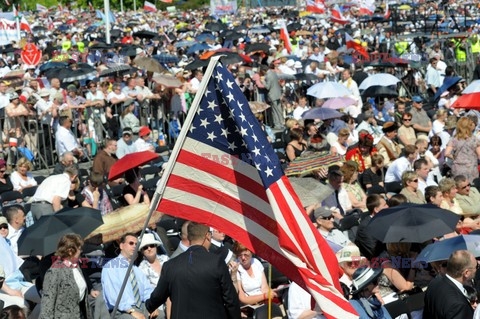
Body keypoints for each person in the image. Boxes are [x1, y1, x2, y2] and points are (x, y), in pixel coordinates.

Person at [146, 222, 241, 319]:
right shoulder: (216, 262)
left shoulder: (170, 265)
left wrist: (149, 306)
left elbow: (157, 297)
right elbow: (230, 300)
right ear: (207, 236)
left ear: (189, 238)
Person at [102, 233, 154, 318]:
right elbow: (114, 298)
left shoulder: (137, 270)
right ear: (121, 246)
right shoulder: (111, 267)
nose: (134, 246)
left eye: (136, 244)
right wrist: (131, 311)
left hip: (141, 306)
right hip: (121, 311)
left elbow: (147, 290)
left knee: (161, 314)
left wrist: (153, 306)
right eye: (131, 243)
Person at [40, 234, 88, 318]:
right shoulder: (54, 271)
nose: (81, 251)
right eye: (79, 249)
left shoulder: (76, 266)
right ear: (70, 251)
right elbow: (47, 304)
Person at [423, 250, 477, 319]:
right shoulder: (459, 305)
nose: (476, 269)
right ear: (466, 273)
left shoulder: (434, 283)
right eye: (476, 266)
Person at [138, 233, 170, 319]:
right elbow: (143, 291)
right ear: (142, 251)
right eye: (145, 247)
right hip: (157, 304)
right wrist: (152, 306)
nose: (149, 249)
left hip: (172, 298)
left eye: (151, 245)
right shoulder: (141, 268)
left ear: (156, 246)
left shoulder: (166, 259)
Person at [445, 117, 480, 183]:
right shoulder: (475, 139)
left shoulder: (454, 139)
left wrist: (454, 157)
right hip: (471, 168)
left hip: (458, 169)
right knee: (471, 188)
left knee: (458, 187)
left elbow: (446, 153)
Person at [355, 194, 387, 260]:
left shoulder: (386, 220)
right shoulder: (365, 228)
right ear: (376, 210)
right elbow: (375, 252)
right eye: (385, 205)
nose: (388, 206)